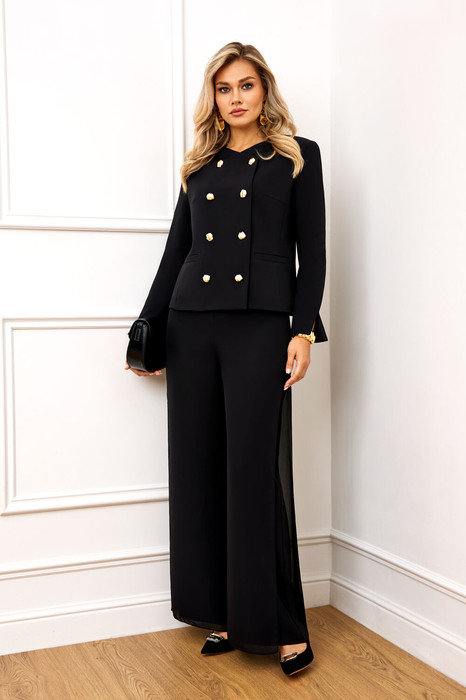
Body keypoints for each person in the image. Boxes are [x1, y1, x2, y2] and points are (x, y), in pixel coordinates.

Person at [125, 41, 327, 677]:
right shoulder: (200, 166)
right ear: (213, 98)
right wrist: (147, 328)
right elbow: (176, 251)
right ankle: (222, 613)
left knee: (255, 471)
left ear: (264, 90)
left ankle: (281, 625)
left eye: (245, 85)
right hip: (193, 326)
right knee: (201, 468)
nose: (235, 98)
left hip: (260, 328)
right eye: (223, 88)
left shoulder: (297, 157)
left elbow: (313, 253)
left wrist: (301, 331)